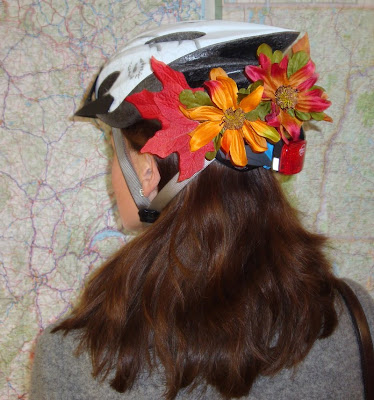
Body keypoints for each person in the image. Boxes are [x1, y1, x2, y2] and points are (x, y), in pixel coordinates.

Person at [30, 21, 374, 400]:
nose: (111, 172)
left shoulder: (75, 355)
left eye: (114, 153)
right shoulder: (353, 316)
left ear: (148, 171)